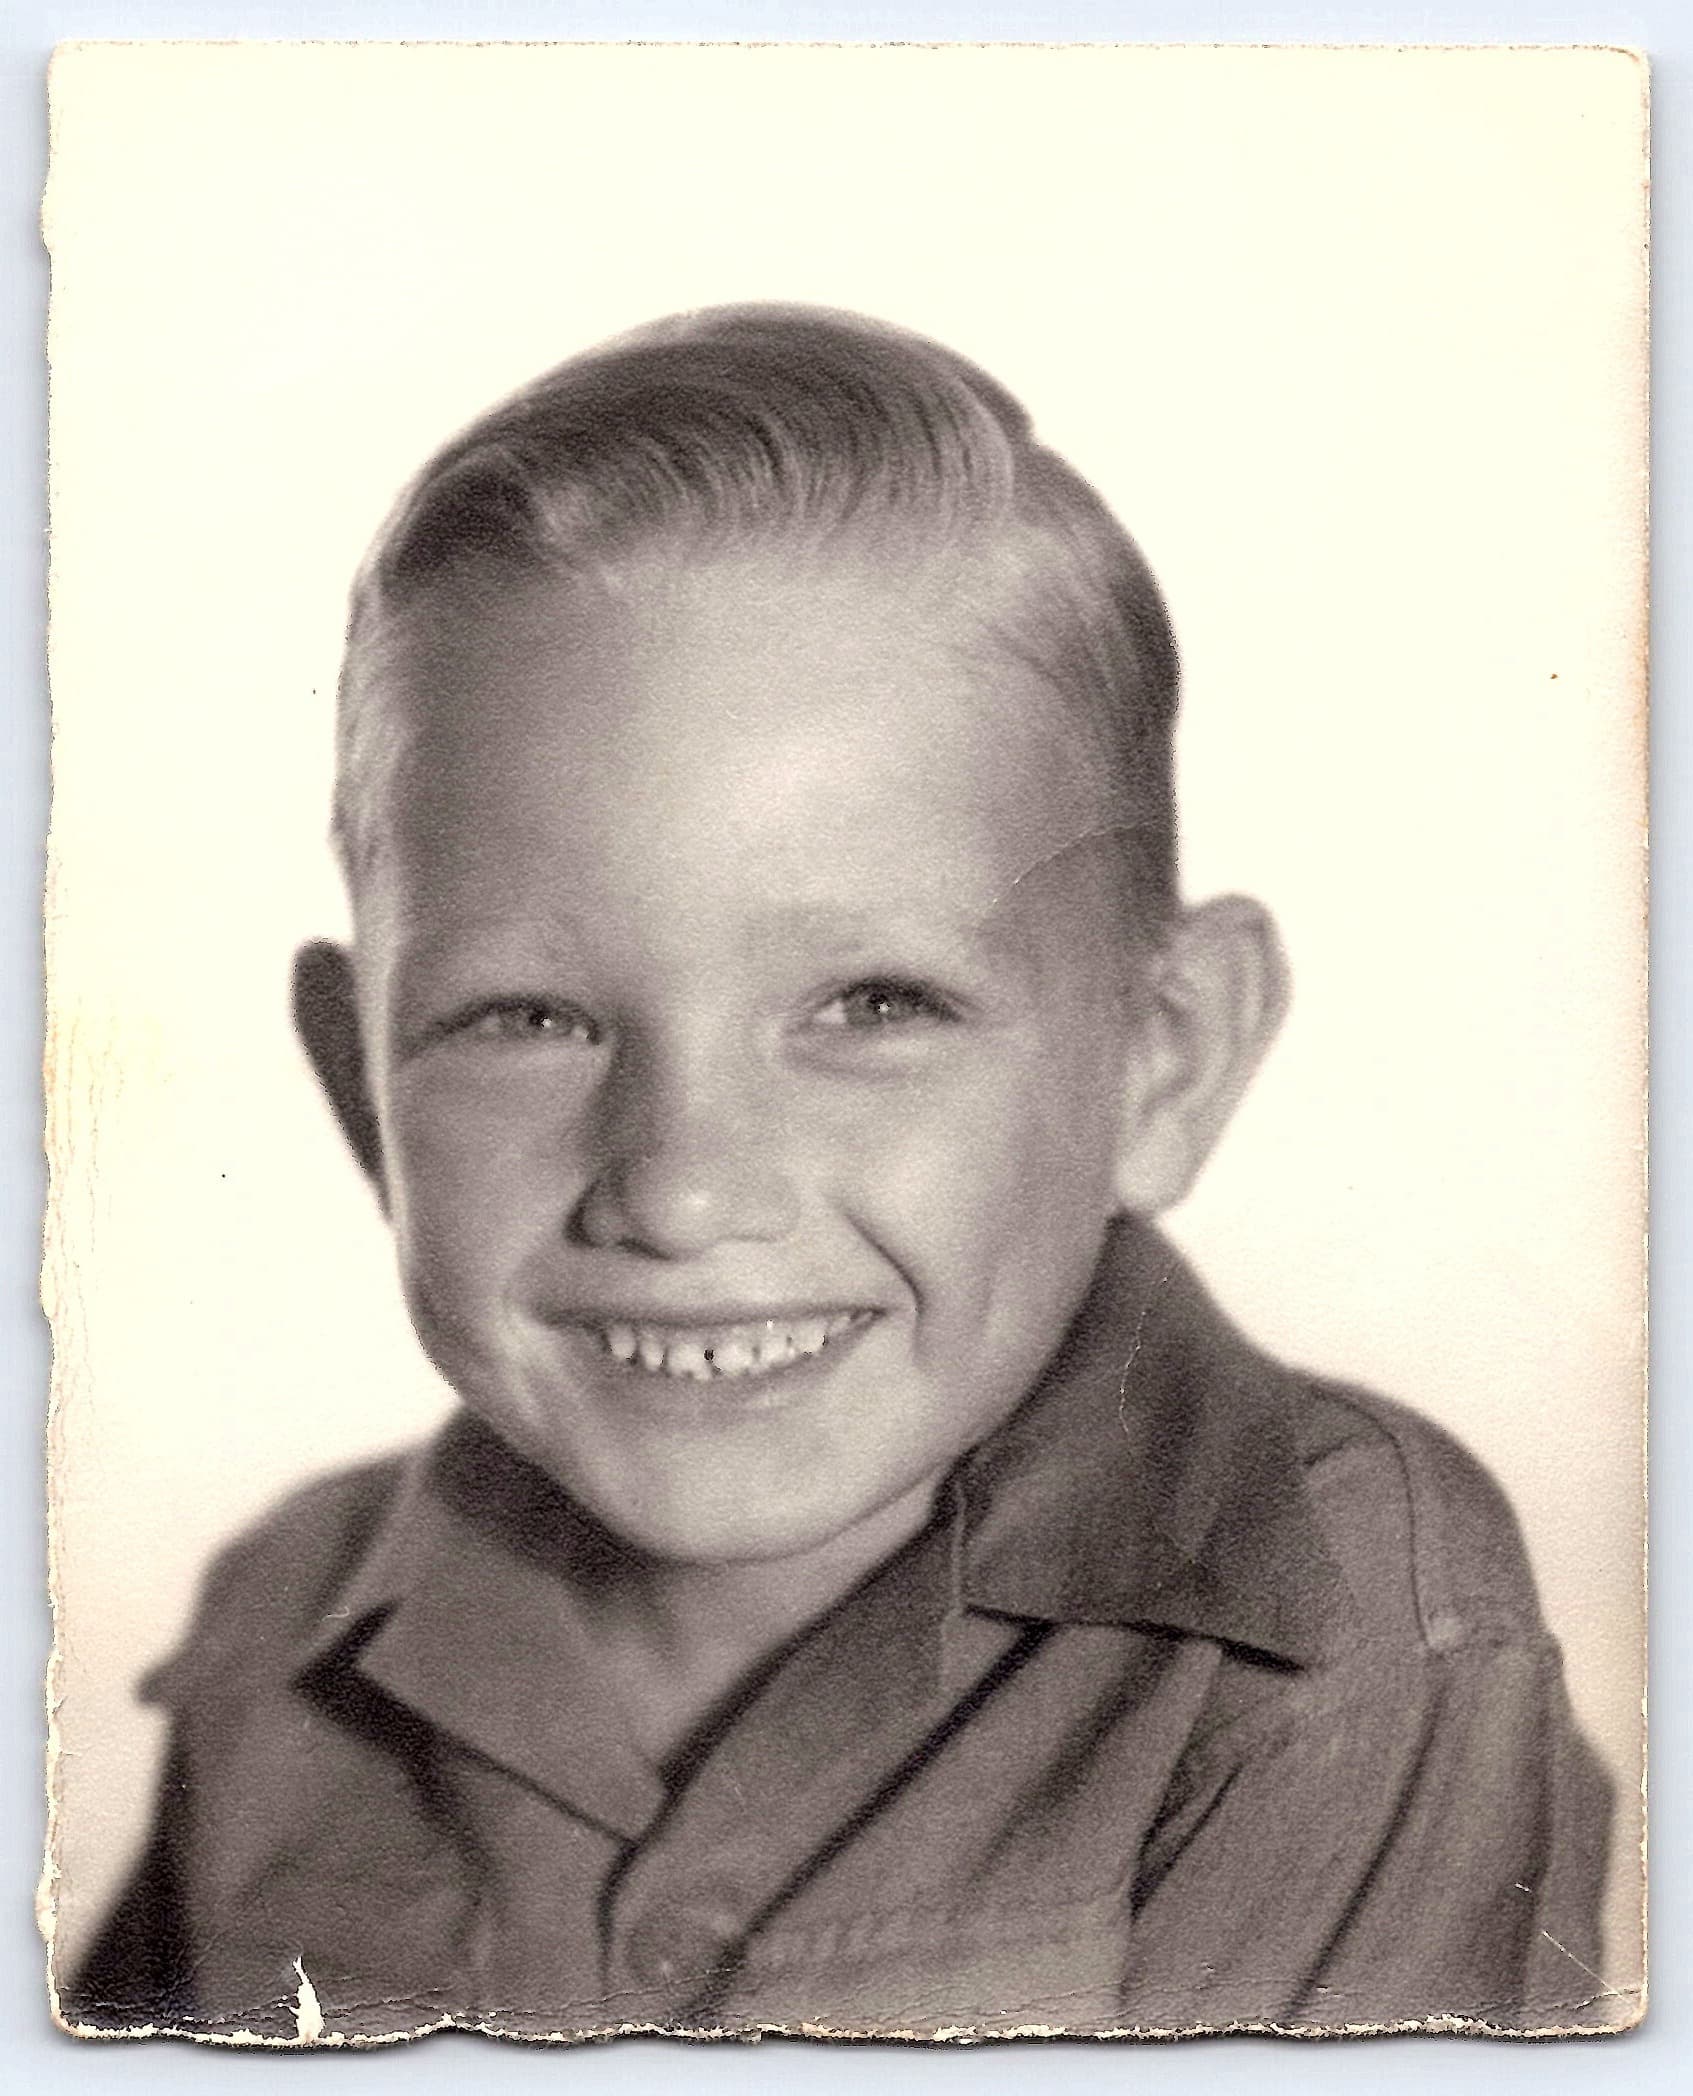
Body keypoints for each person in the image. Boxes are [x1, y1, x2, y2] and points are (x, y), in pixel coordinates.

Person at [65, 307, 1614, 2042]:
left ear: (1158, 1057)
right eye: (526, 1016)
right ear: (363, 1091)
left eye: (873, 1004)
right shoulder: (286, 1626)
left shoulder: (1341, 1616)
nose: (680, 1189)